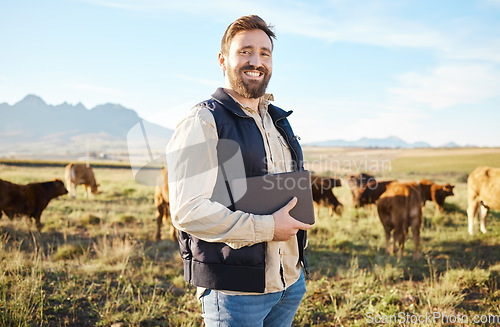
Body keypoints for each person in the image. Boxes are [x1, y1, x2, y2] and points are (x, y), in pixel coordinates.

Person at [166, 15, 313, 326]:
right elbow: (188, 211)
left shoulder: (278, 120)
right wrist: (269, 228)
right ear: (223, 60)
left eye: (264, 53)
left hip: (289, 284)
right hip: (234, 292)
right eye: (245, 51)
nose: (256, 61)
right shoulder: (203, 121)